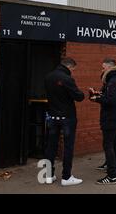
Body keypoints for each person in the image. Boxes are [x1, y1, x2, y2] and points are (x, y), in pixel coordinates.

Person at [44, 57, 85, 186]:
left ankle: (49, 175)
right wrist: (82, 93)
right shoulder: (67, 79)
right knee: (68, 147)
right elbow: (78, 96)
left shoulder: (48, 77)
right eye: (73, 69)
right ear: (69, 66)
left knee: (51, 146)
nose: (73, 71)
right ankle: (66, 177)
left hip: (52, 116)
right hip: (67, 117)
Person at [90, 58, 116, 185]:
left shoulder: (113, 81)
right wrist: (100, 95)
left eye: (103, 67)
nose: (102, 70)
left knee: (109, 145)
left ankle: (112, 176)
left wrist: (96, 99)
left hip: (111, 118)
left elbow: (111, 101)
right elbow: (113, 98)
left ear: (109, 67)